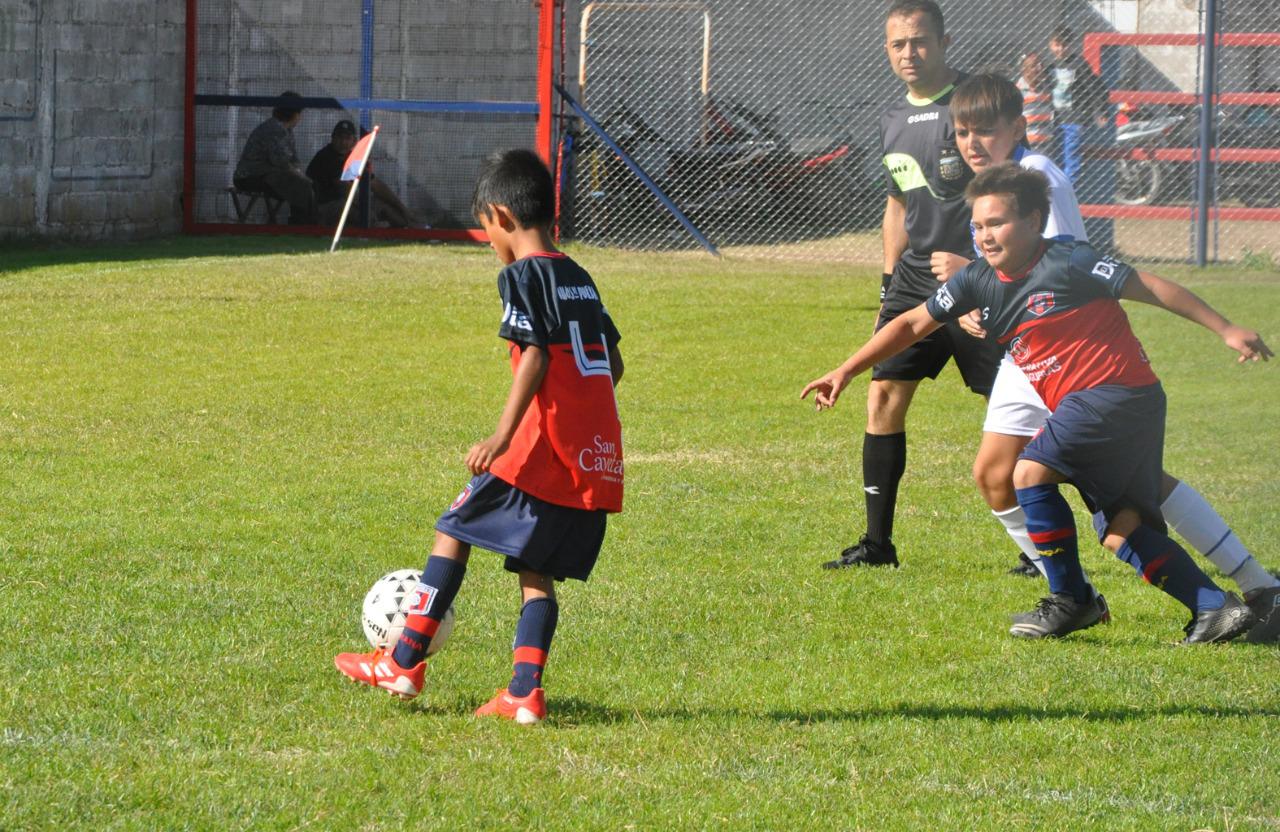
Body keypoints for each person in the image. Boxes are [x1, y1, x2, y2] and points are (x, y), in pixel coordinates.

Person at [803, 163, 1271, 643]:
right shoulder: (977, 280)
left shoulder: (1068, 260)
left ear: (1033, 220)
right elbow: (910, 324)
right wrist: (846, 370)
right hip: (1110, 406)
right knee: (1119, 529)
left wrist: (1226, 328)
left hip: (1116, 395)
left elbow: (1149, 286)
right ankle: (1214, 608)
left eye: (997, 223)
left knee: (1026, 473)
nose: (984, 235)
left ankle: (1072, 599)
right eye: (977, 225)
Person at [931, 73, 1280, 641]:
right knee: (1061, 489)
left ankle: (1075, 594)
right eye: (962, 132)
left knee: (1062, 487)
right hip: (1042, 357)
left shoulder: (1034, 179)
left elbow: (1063, 268)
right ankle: (1235, 590)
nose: (971, 143)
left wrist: (1003, 308)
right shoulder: (995, 189)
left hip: (1059, 358)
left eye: (984, 131)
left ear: (1017, 129)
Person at [334, 149, 625, 723]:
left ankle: (404, 660)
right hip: (592, 455)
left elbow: (536, 355)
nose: (487, 239)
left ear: (502, 216)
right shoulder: (579, 277)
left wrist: (500, 437)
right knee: (534, 572)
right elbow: (612, 364)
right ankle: (523, 692)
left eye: (485, 227)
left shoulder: (520, 274)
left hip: (538, 449)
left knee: (452, 527)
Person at [822, 0, 1002, 571]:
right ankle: (878, 544)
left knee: (1015, 405)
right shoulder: (891, 118)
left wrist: (980, 263)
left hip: (978, 274)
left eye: (920, 41)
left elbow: (1009, 190)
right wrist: (886, 283)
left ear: (944, 41)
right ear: (887, 50)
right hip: (913, 278)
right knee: (883, 395)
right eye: (898, 44)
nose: (910, 53)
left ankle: (1040, 537)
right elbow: (897, 203)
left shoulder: (975, 104)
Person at [306, 119, 420, 228]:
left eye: (347, 138)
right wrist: (369, 211)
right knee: (361, 213)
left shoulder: (353, 157)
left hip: (347, 202)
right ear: (332, 138)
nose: (343, 142)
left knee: (383, 206)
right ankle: (375, 234)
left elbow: (374, 184)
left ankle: (410, 228)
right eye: (339, 137)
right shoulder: (326, 156)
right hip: (324, 207)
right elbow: (346, 190)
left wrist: (402, 208)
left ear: (354, 141)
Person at [233, 91, 318, 224]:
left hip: (268, 175)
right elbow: (281, 162)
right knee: (299, 186)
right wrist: (300, 177)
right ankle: (302, 226)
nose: (300, 118)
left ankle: (305, 224)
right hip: (249, 177)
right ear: (294, 114)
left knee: (303, 185)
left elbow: (293, 161)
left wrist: (301, 176)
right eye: (299, 114)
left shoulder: (287, 131)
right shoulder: (273, 130)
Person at [1048, 26, 1111, 185]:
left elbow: (1097, 87)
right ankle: (1056, 190)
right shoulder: (1051, 67)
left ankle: (1067, 190)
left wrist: (1101, 110)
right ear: (1051, 45)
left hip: (1074, 118)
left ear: (1071, 45)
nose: (1061, 49)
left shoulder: (1079, 64)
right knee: (1056, 157)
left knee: (1071, 157)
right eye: (1057, 44)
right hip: (1055, 120)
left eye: (1065, 45)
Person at [1015, 53, 1056, 159]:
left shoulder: (1048, 90)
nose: (1040, 68)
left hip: (1048, 148)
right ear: (1024, 70)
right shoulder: (1016, 92)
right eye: (1034, 66)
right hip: (1026, 148)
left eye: (1041, 64)